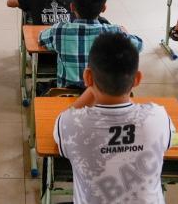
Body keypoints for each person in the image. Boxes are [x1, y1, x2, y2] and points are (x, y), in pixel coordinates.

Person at [54, 33, 171, 204]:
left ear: (87, 77)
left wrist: (92, 86)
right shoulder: (158, 116)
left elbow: (63, 124)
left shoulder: (70, 123)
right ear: (137, 79)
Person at [39, 0, 142, 88]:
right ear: (103, 8)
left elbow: (41, 39)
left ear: (72, 7)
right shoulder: (114, 32)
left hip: (66, 95)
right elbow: (139, 45)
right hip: (102, 94)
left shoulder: (59, 30)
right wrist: (123, 32)